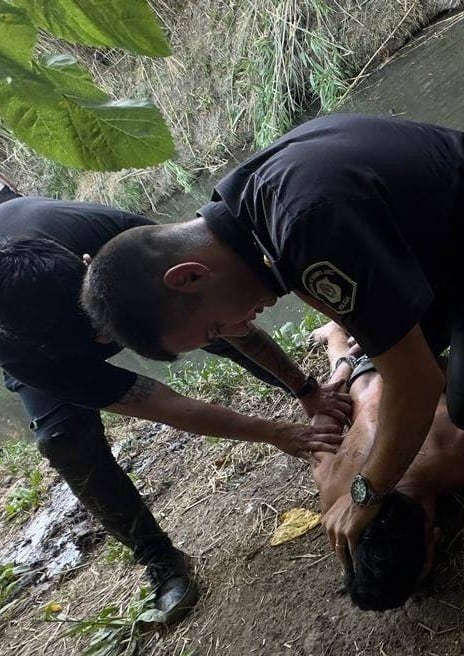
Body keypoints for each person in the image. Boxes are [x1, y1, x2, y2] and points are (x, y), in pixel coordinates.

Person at [80, 113, 464, 567]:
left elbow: (419, 384)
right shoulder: (245, 215)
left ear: (188, 277)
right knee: (387, 351)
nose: (237, 331)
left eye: (215, 328)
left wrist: (367, 491)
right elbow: (331, 293)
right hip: (430, 246)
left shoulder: (305, 224)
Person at [0, 175, 351, 623]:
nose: (116, 341)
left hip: (87, 268)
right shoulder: (20, 345)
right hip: (35, 334)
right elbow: (155, 402)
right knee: (63, 438)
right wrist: (278, 433)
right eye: (100, 336)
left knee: (206, 321)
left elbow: (218, 305)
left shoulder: (111, 238)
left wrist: (306, 391)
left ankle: (299, 386)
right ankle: (158, 560)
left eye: (110, 328)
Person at [309, 321, 464, 610]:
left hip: (407, 355)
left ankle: (339, 334)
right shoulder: (334, 494)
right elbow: (320, 428)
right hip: (370, 373)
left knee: (351, 361)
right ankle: (337, 333)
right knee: (343, 367)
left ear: (434, 538)